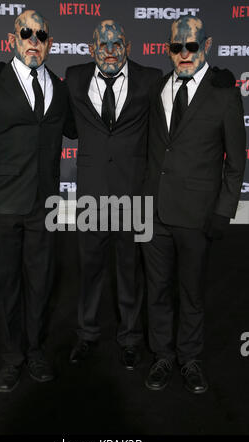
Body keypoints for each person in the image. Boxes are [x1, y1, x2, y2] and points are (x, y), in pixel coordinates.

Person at [0, 9, 76, 392]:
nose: (33, 41)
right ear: (13, 38)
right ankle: (13, 357)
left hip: (45, 206)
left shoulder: (60, 89)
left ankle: (36, 350)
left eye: (41, 35)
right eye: (26, 33)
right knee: (7, 285)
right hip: (3, 205)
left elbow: (81, 123)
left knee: (40, 283)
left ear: (49, 43)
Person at [142, 15, 246, 393]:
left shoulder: (224, 94)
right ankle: (163, 357)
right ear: (168, 49)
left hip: (198, 215)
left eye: (191, 45)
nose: (184, 53)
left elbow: (236, 162)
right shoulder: (158, 87)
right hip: (153, 213)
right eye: (176, 47)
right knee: (156, 291)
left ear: (207, 45)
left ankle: (190, 359)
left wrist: (223, 211)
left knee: (191, 292)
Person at [66, 20, 162, 369]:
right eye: (102, 44)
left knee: (129, 271)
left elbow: (180, 97)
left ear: (128, 47)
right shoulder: (74, 78)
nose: (109, 50)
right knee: (89, 269)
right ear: (91, 49)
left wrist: (219, 79)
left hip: (132, 193)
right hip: (91, 194)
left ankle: (130, 338)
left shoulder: (150, 80)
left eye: (116, 43)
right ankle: (87, 334)